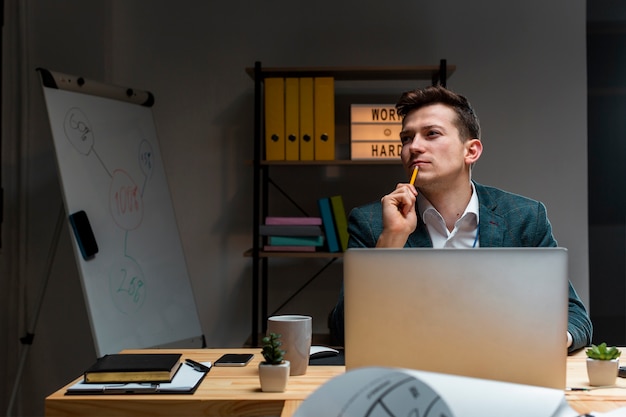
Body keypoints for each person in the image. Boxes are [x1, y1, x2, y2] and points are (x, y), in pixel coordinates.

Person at [329, 85, 592, 353]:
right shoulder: (371, 222)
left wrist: (550, 340)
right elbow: (344, 331)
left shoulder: (524, 217)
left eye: (431, 134)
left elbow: (574, 315)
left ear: (471, 151)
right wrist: (392, 240)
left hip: (500, 371)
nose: (414, 147)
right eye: (406, 138)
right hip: (411, 377)